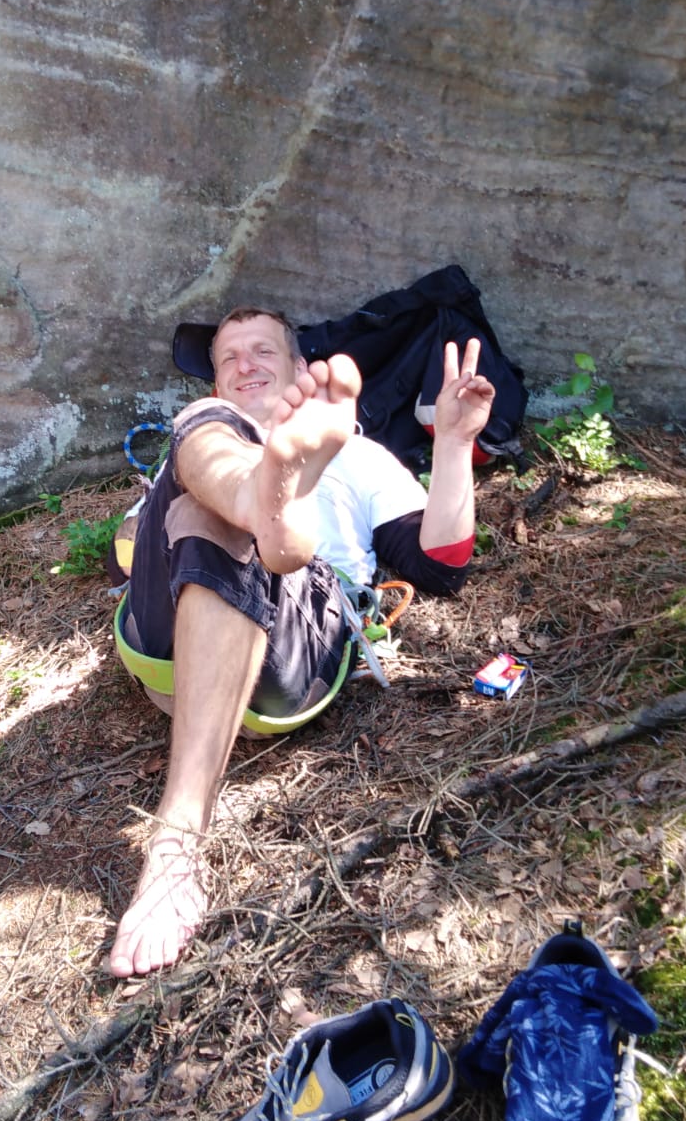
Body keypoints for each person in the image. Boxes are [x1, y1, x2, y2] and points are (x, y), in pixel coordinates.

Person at [107, 308, 495, 979]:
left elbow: (439, 565)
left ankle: (175, 845)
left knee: (227, 512)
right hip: (170, 645)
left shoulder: (360, 456)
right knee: (202, 454)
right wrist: (191, 486)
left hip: (291, 644)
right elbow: (122, 563)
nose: (245, 364)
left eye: (263, 351)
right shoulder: (199, 436)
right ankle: (262, 499)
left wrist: (455, 444)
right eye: (229, 358)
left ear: (299, 370)